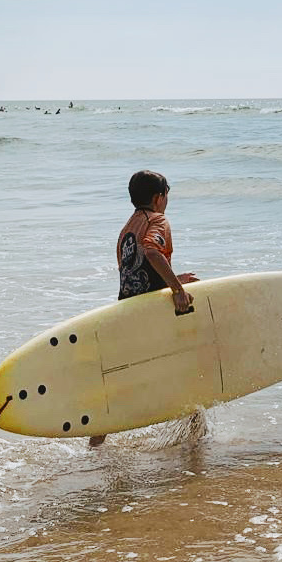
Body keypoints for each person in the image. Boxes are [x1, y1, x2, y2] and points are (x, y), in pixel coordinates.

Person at [91, 170, 198, 447]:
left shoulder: (127, 228)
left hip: (128, 310)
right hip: (151, 313)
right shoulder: (158, 220)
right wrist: (177, 290)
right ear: (158, 197)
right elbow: (151, 252)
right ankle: (194, 443)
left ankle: (96, 446)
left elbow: (135, 268)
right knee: (187, 368)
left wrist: (173, 278)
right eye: (167, 195)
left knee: (124, 381)